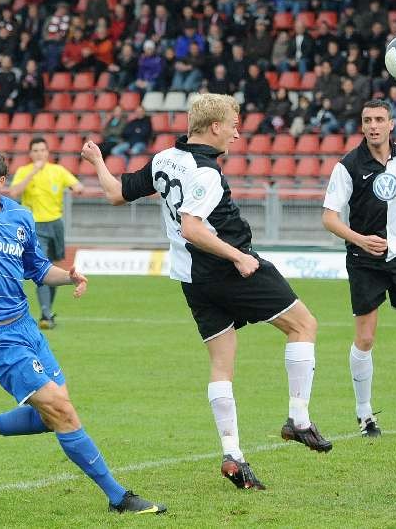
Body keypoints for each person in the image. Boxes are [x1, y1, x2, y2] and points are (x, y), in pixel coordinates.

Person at [0, 71, 165, 515]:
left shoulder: (20, 217)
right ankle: (118, 497)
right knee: (63, 411)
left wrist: (67, 276)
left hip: (27, 328)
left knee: (49, 418)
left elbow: (35, 269)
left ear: (0, 182)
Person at [80, 93, 332, 490]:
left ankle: (234, 455)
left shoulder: (166, 157)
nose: (237, 131)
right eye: (233, 123)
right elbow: (192, 227)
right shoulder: (206, 173)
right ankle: (298, 420)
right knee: (304, 325)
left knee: (221, 364)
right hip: (228, 268)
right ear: (214, 126)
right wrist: (240, 258)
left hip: (191, 279)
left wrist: (97, 162)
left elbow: (115, 193)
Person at [321, 99, 396, 439]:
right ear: (362, 126)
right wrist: (359, 239)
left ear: (391, 124)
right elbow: (329, 217)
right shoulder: (347, 166)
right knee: (366, 337)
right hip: (364, 261)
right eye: (367, 120)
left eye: (379, 119)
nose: (373, 125)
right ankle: (364, 414)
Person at [9, 137, 84, 330]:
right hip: (34, 226)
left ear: (47, 152)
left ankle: (47, 312)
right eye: (35, 150)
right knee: (40, 268)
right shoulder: (24, 171)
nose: (39, 154)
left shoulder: (57, 171)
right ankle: (45, 314)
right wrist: (33, 172)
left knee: (54, 268)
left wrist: (77, 188)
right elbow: (14, 192)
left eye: (42, 150)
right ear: (30, 153)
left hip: (55, 224)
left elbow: (77, 185)